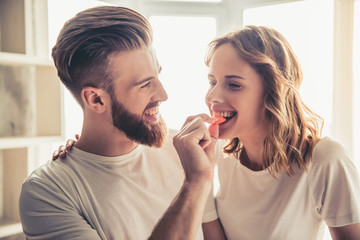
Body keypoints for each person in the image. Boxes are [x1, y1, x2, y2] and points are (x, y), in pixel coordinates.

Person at [19, 6, 221, 239]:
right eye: (145, 84)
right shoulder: (48, 193)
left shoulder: (187, 151)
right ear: (96, 99)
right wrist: (195, 183)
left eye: (158, 76)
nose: (163, 95)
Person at [188, 25, 360, 239]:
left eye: (233, 84)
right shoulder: (219, 154)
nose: (212, 96)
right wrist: (199, 178)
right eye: (212, 82)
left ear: (273, 90)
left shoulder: (326, 158)